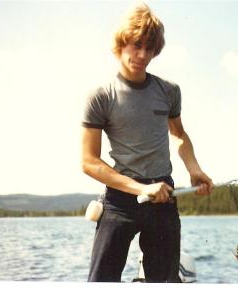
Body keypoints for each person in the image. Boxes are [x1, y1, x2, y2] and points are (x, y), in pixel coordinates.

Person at [81, 2, 213, 283]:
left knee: (164, 281)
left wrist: (194, 168)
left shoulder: (169, 91)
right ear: (121, 42)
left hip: (164, 197)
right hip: (119, 200)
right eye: (136, 45)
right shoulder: (101, 96)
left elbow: (178, 134)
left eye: (150, 48)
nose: (142, 55)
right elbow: (89, 162)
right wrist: (141, 188)